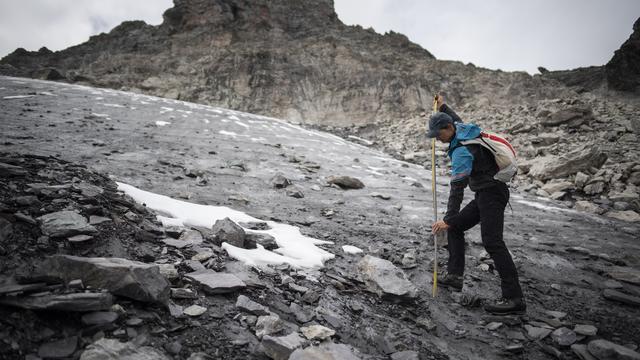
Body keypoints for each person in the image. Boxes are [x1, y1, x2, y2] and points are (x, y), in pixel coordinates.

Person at [427, 96, 525, 315]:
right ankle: (455, 276)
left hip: (492, 194)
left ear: (449, 129)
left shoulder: (462, 150)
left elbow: (457, 189)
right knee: (456, 228)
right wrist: (443, 106)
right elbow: (454, 119)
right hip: (484, 193)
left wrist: (447, 218)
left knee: (492, 242)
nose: (437, 140)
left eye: (438, 135)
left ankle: (514, 298)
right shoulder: (463, 130)